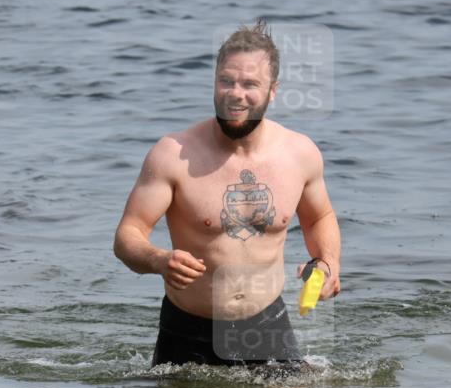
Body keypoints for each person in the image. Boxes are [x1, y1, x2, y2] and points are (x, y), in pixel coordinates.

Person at [114, 20, 341, 366]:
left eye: (250, 84)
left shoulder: (300, 154)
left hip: (268, 327)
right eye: (226, 81)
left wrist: (328, 262)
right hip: (187, 333)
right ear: (214, 82)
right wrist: (158, 260)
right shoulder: (172, 154)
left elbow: (319, 218)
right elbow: (127, 236)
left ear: (273, 90)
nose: (236, 93)